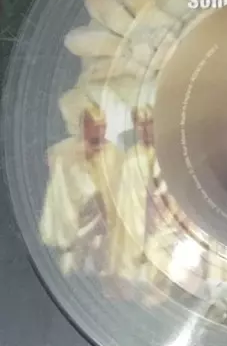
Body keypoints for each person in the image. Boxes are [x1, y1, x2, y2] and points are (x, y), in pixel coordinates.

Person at [39, 102, 124, 275]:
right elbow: (49, 158)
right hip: (78, 214)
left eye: (102, 126)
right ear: (84, 126)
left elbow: (119, 179)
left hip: (105, 215)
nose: (99, 131)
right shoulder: (69, 148)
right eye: (94, 126)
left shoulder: (112, 151)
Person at [110, 106, 159, 282]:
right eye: (141, 124)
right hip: (136, 224)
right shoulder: (130, 159)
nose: (146, 129)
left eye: (150, 123)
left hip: (161, 223)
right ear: (135, 125)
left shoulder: (166, 154)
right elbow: (124, 202)